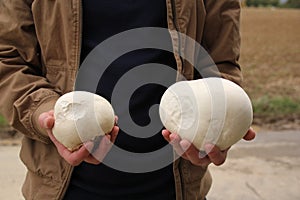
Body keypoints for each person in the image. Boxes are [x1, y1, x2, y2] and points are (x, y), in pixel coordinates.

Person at [0, 0, 256, 200]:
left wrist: (221, 120)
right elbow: (8, 59)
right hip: (63, 187)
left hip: (176, 187)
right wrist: (48, 114)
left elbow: (221, 62)